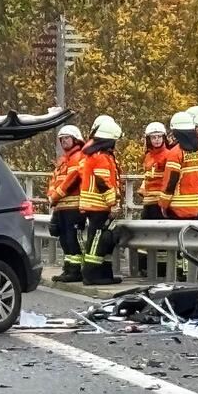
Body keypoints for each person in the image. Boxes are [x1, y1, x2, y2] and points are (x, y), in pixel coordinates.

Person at [78, 117, 124, 285]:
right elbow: (103, 182)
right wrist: (113, 204)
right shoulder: (101, 158)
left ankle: (104, 275)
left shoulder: (97, 155)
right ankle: (91, 275)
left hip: (96, 205)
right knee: (98, 240)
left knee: (102, 239)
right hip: (99, 206)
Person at [160, 111, 198, 280]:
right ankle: (191, 272)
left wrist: (164, 203)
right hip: (196, 205)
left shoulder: (175, 152)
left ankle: (183, 273)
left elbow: (171, 181)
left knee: (180, 243)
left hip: (177, 205)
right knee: (192, 242)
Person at [47, 125, 86, 282]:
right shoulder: (64, 160)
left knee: (72, 239)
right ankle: (68, 269)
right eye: (61, 139)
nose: (63, 141)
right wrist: (51, 194)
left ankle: (76, 271)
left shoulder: (78, 158)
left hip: (74, 207)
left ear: (75, 139)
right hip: (61, 206)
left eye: (67, 138)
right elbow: (54, 180)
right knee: (64, 240)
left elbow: (71, 180)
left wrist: (55, 195)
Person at [137, 121, 170, 275]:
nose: (156, 140)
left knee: (161, 236)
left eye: (159, 137)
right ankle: (144, 266)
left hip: (160, 202)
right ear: (148, 139)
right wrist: (143, 189)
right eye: (153, 137)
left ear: (164, 138)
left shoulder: (168, 155)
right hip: (148, 201)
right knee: (144, 235)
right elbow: (147, 177)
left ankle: (161, 269)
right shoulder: (148, 156)